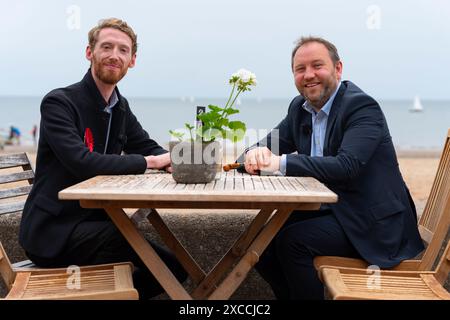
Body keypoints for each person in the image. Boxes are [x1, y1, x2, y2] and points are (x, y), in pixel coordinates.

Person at [239, 36, 424, 299]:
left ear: (338, 69)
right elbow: (261, 148)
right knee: (260, 242)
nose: (309, 75)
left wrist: (278, 163)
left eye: (317, 66)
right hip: (333, 211)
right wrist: (253, 153)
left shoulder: (361, 107)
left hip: (374, 223)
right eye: (300, 69)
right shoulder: (300, 108)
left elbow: (345, 166)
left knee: (294, 243)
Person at [19, 18, 187, 299]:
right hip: (51, 233)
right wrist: (152, 163)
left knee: (176, 269)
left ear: (132, 61)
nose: (114, 55)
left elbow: (145, 145)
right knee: (162, 267)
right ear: (90, 53)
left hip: (97, 224)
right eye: (106, 47)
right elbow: (82, 161)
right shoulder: (59, 102)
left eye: (123, 50)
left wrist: (179, 160)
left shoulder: (120, 106)